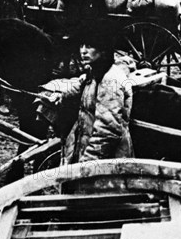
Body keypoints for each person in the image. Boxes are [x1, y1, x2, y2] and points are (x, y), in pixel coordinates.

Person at [43, 22, 134, 164]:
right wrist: (61, 95)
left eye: (89, 46)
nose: (83, 51)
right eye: (81, 46)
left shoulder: (111, 81)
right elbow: (82, 87)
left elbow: (107, 131)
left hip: (106, 158)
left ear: (103, 50)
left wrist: (86, 164)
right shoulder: (95, 71)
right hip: (87, 142)